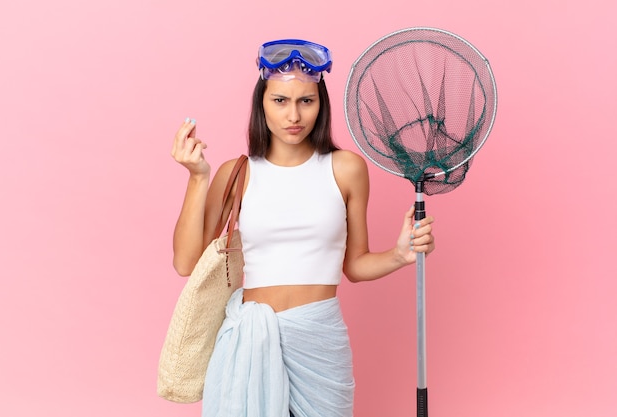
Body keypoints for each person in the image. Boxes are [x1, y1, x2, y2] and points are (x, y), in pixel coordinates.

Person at [170, 39, 435, 417]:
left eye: (305, 101)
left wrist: (399, 255)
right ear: (261, 104)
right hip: (251, 339)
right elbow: (185, 263)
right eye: (280, 101)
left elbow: (355, 266)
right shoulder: (237, 174)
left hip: (320, 340)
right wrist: (198, 177)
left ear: (320, 105)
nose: (293, 115)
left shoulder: (346, 169)